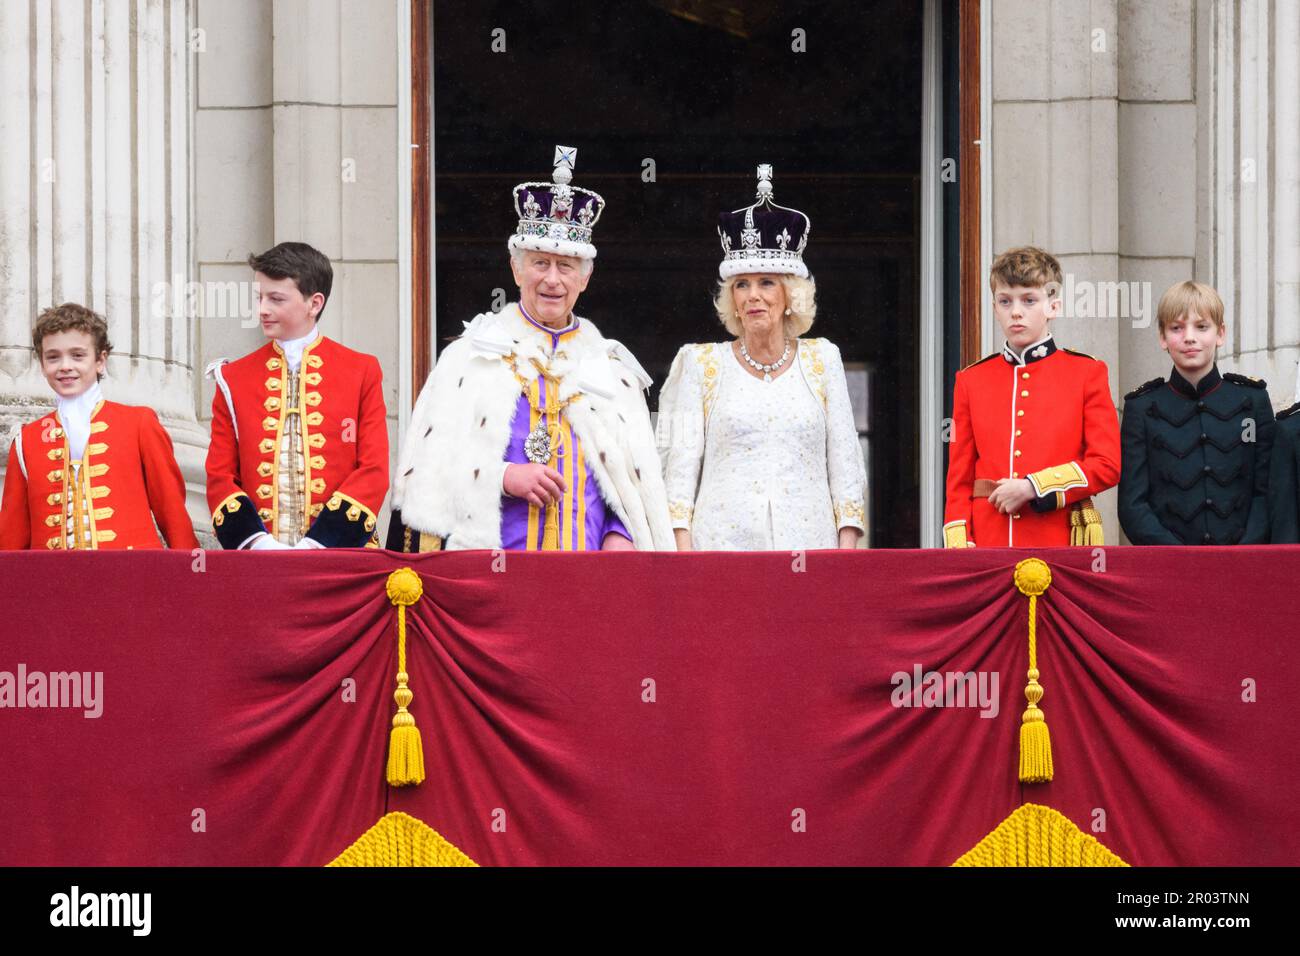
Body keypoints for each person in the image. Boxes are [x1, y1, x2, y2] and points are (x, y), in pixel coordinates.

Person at [387, 145, 673, 552]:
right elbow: (424, 473)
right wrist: (503, 476)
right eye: (540, 263)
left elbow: (631, 484)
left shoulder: (613, 372)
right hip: (492, 573)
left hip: (588, 581)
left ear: (584, 279)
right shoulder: (469, 357)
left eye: (566, 266)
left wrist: (621, 536)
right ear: (516, 269)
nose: (552, 279)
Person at [658, 165, 866, 551]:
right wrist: (683, 558)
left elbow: (845, 463)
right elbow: (678, 474)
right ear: (732, 299)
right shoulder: (698, 364)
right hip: (719, 554)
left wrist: (845, 550)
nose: (753, 295)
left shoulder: (824, 360)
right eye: (742, 285)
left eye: (766, 282)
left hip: (810, 550)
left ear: (790, 295)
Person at [205, 242, 390, 550]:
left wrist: (319, 544)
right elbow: (219, 475)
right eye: (260, 297)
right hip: (258, 560)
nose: (263, 309)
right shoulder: (232, 378)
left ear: (314, 303)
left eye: (276, 299)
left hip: (341, 556)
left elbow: (373, 470)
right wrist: (258, 543)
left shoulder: (361, 370)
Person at [943, 246, 1121, 548]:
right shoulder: (970, 380)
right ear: (994, 307)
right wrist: (960, 545)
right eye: (1005, 301)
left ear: (1053, 306)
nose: (1015, 311)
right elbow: (958, 478)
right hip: (989, 541)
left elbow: (1106, 464)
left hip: (1059, 539)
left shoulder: (1087, 372)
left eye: (1029, 300)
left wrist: (1034, 487)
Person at [0, 303, 198, 551]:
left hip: (133, 580)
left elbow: (172, 513)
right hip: (54, 585)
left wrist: (192, 576)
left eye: (78, 355)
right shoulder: (26, 440)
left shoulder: (139, 423)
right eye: (53, 357)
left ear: (100, 360)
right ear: (41, 365)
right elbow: (11, 538)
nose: (65, 366)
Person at [1119, 281, 1274, 545]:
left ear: (1220, 333)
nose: (1189, 337)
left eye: (1201, 327)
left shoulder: (1252, 401)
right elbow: (1133, 504)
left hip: (1245, 563)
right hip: (1169, 566)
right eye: (1177, 328)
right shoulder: (1142, 408)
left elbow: (1267, 490)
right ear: (1162, 337)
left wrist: (1244, 554)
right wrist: (1181, 559)